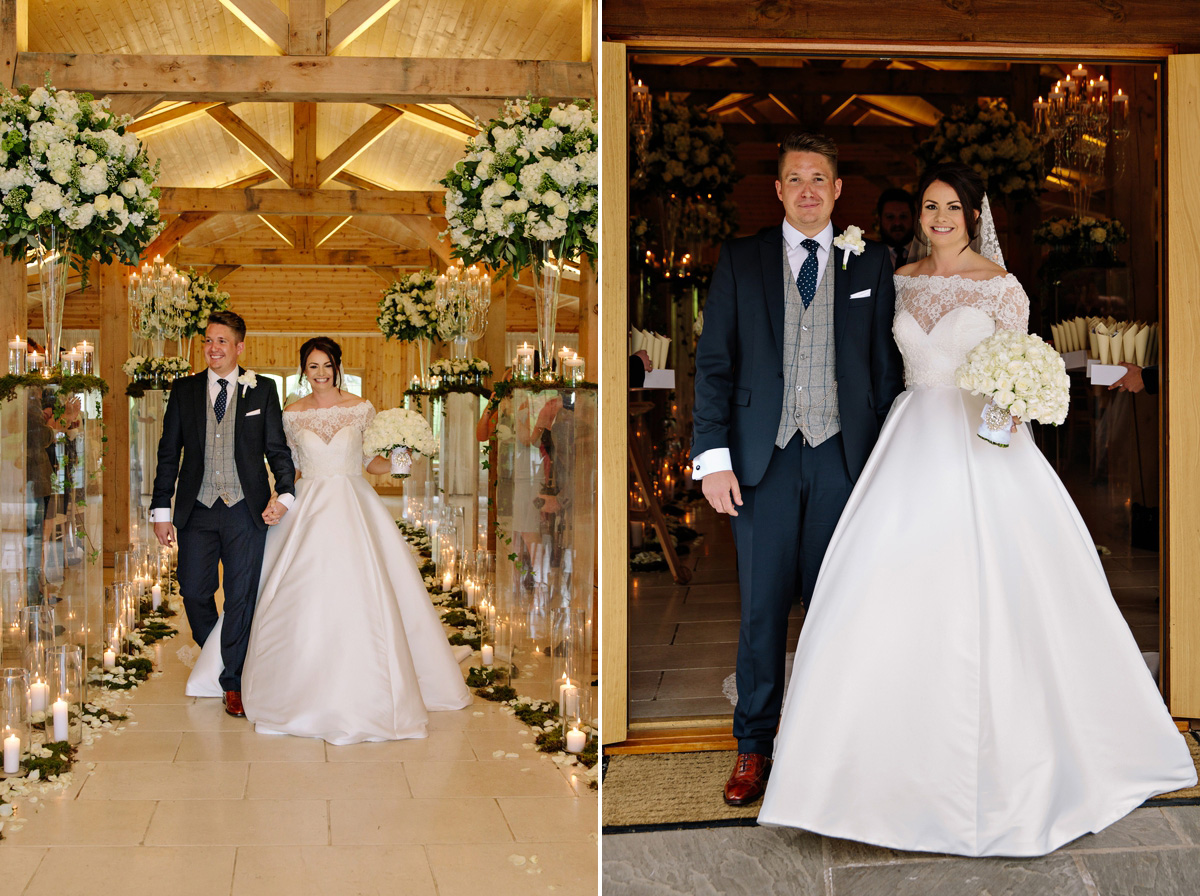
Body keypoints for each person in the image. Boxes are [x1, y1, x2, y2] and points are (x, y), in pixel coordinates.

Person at [758, 163, 1196, 856]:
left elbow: (1018, 363)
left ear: (972, 215)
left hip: (984, 443)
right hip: (907, 443)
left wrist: (1014, 403)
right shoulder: (895, 280)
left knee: (1003, 592)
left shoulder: (1003, 287)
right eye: (930, 206)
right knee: (882, 588)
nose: (938, 218)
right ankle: (860, 768)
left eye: (951, 208)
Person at [691, 132, 904, 807]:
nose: (808, 190)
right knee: (760, 613)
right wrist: (712, 458)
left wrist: (888, 462)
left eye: (820, 178)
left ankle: (828, 748)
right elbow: (715, 365)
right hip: (762, 461)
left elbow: (885, 370)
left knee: (835, 609)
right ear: (778, 190)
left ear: (838, 190)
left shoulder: (873, 262)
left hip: (844, 460)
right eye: (795, 179)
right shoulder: (742, 259)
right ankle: (754, 748)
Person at [187, 336, 471, 743]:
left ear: (337, 366)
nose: (320, 373)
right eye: (312, 366)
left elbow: (371, 463)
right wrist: (278, 500)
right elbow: (291, 468)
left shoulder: (361, 408)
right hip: (309, 503)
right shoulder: (291, 413)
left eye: (326, 365)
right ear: (304, 370)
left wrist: (402, 457)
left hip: (354, 502)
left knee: (366, 588)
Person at [151, 310, 295, 719]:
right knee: (194, 591)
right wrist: (161, 510)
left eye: (221, 342)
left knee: (240, 597)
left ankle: (232, 680)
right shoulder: (184, 390)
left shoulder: (262, 390)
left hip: (245, 511)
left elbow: (277, 449)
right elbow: (168, 455)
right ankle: (218, 651)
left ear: (239, 347)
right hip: (196, 509)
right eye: (208, 341)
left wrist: (285, 494)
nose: (213, 349)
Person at [876, 186, 915, 269]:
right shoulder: (870, 256)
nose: (897, 223)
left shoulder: (925, 254)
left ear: (913, 218)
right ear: (879, 219)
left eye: (903, 216)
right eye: (890, 217)